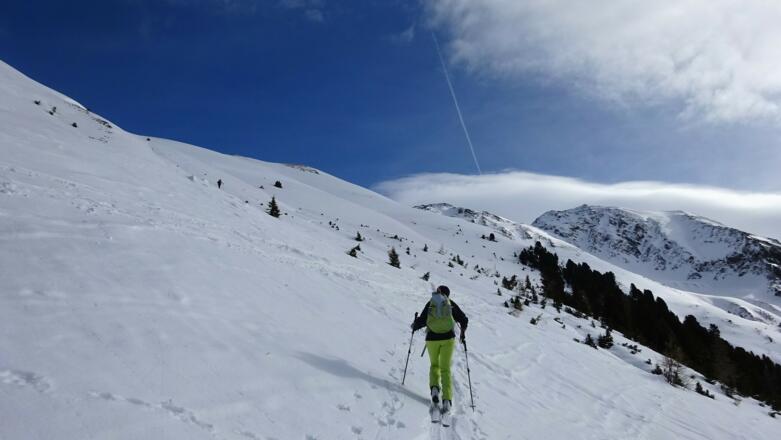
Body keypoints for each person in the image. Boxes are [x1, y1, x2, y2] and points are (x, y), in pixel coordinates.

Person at [411, 285, 468, 414]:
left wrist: (414, 325)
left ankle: (435, 389)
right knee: (445, 368)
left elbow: (422, 320)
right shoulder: (450, 304)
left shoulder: (431, 303)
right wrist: (462, 332)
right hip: (448, 339)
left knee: (434, 365)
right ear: (448, 294)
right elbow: (463, 319)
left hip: (432, 339)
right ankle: (447, 400)